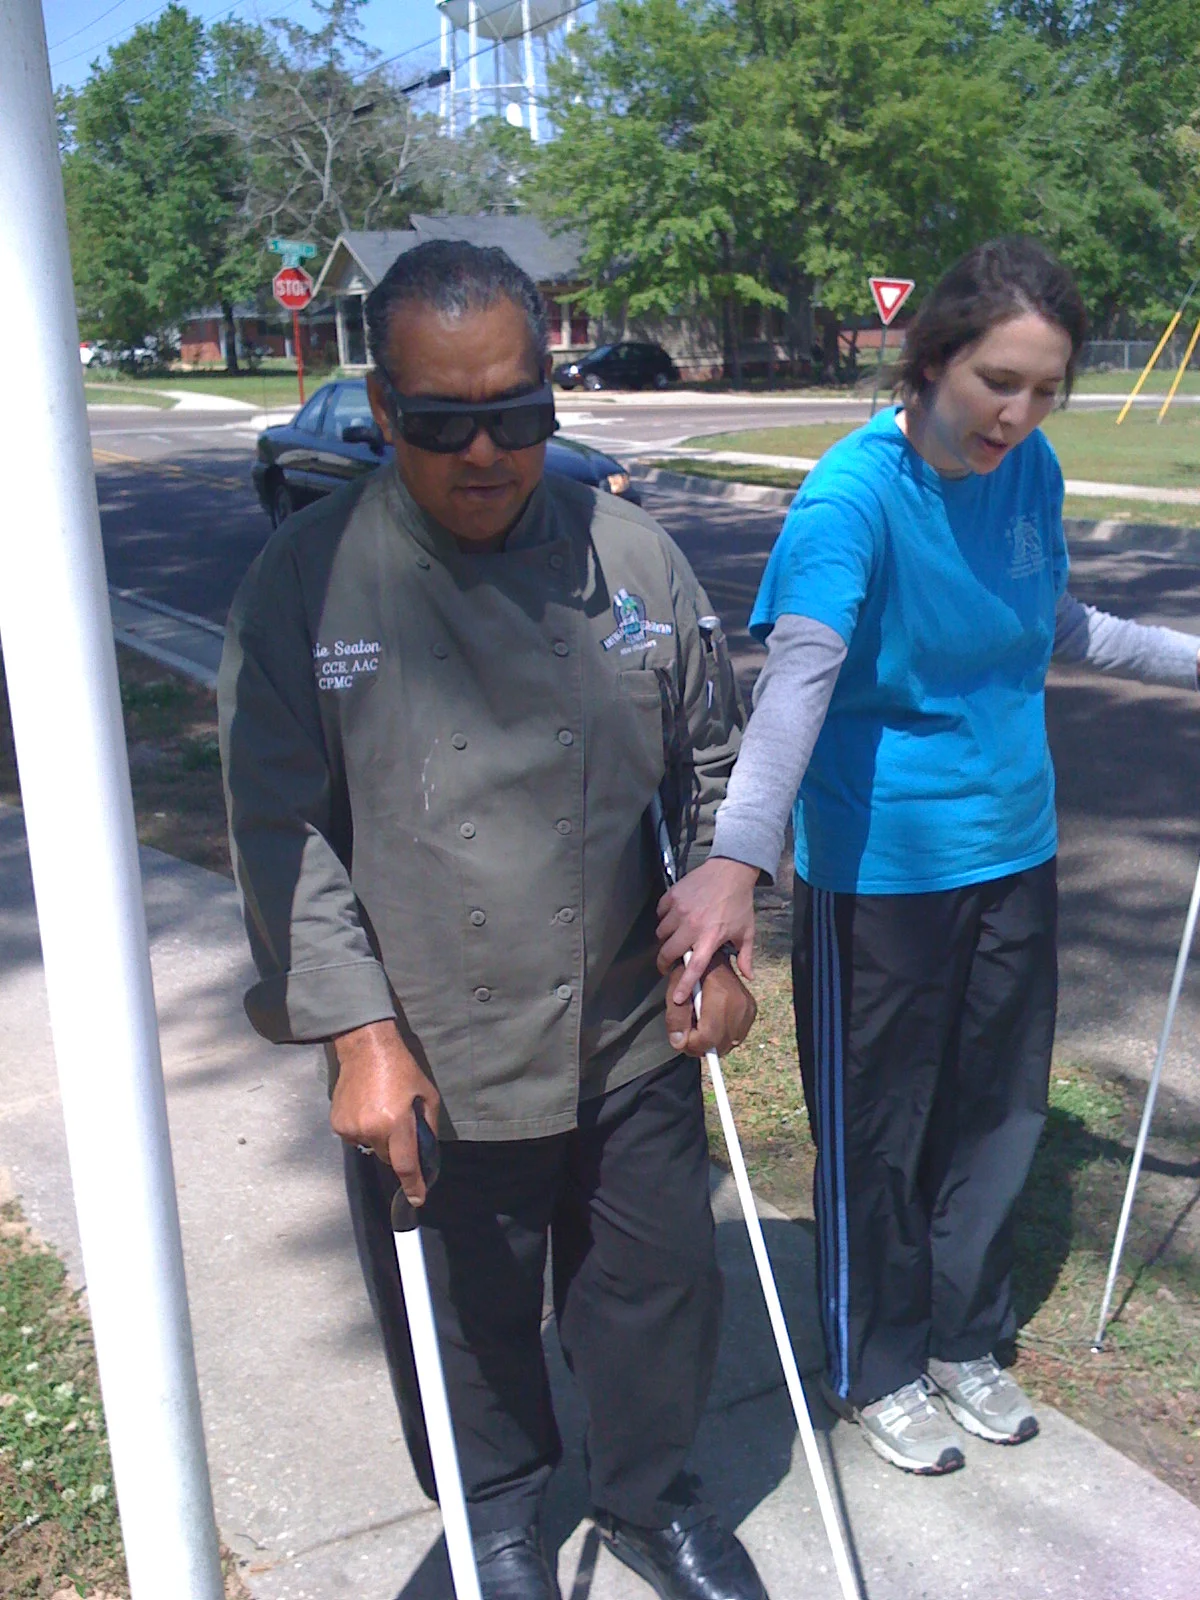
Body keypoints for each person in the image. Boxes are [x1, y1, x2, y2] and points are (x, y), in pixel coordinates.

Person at [218, 239, 768, 1600]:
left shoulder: (632, 554)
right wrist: (351, 1028)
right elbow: (278, 827)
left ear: (550, 406)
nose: (483, 452)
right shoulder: (307, 581)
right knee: (464, 1325)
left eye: (515, 417)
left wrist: (732, 916)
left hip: (630, 1022)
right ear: (385, 409)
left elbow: (715, 768)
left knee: (655, 1295)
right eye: (441, 420)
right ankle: (500, 1518)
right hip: (429, 1045)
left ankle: (649, 1499)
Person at [656, 236, 1200, 1477]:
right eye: (998, 379)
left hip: (1016, 844)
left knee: (996, 1111)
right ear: (935, 355)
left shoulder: (1033, 473)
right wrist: (740, 858)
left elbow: (1052, 620)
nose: (1019, 412)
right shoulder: (852, 496)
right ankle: (874, 1361)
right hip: (883, 868)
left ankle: (964, 1339)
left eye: (1046, 388)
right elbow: (799, 679)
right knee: (881, 1130)